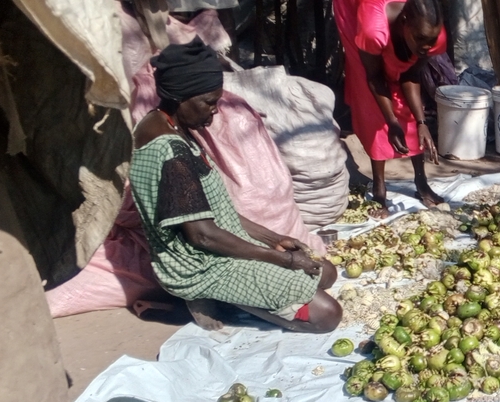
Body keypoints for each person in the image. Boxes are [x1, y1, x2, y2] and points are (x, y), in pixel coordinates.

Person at [130, 39, 342, 333]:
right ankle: (216, 298)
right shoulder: (170, 154)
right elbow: (203, 237)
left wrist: (272, 238)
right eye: (209, 102)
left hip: (215, 245)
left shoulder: (170, 124)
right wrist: (282, 260)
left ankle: (244, 294)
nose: (215, 111)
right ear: (181, 97)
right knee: (327, 316)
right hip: (203, 265)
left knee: (326, 273)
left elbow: (215, 211)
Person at [335, 0, 447, 213]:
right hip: (355, 10)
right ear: (405, 22)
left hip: (391, 28)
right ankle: (379, 190)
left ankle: (421, 184)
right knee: (373, 109)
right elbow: (375, 78)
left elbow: (411, 75)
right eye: (421, 39)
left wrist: (420, 122)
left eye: (430, 41)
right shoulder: (372, 31)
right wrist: (392, 122)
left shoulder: (433, 36)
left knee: (406, 108)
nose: (426, 46)